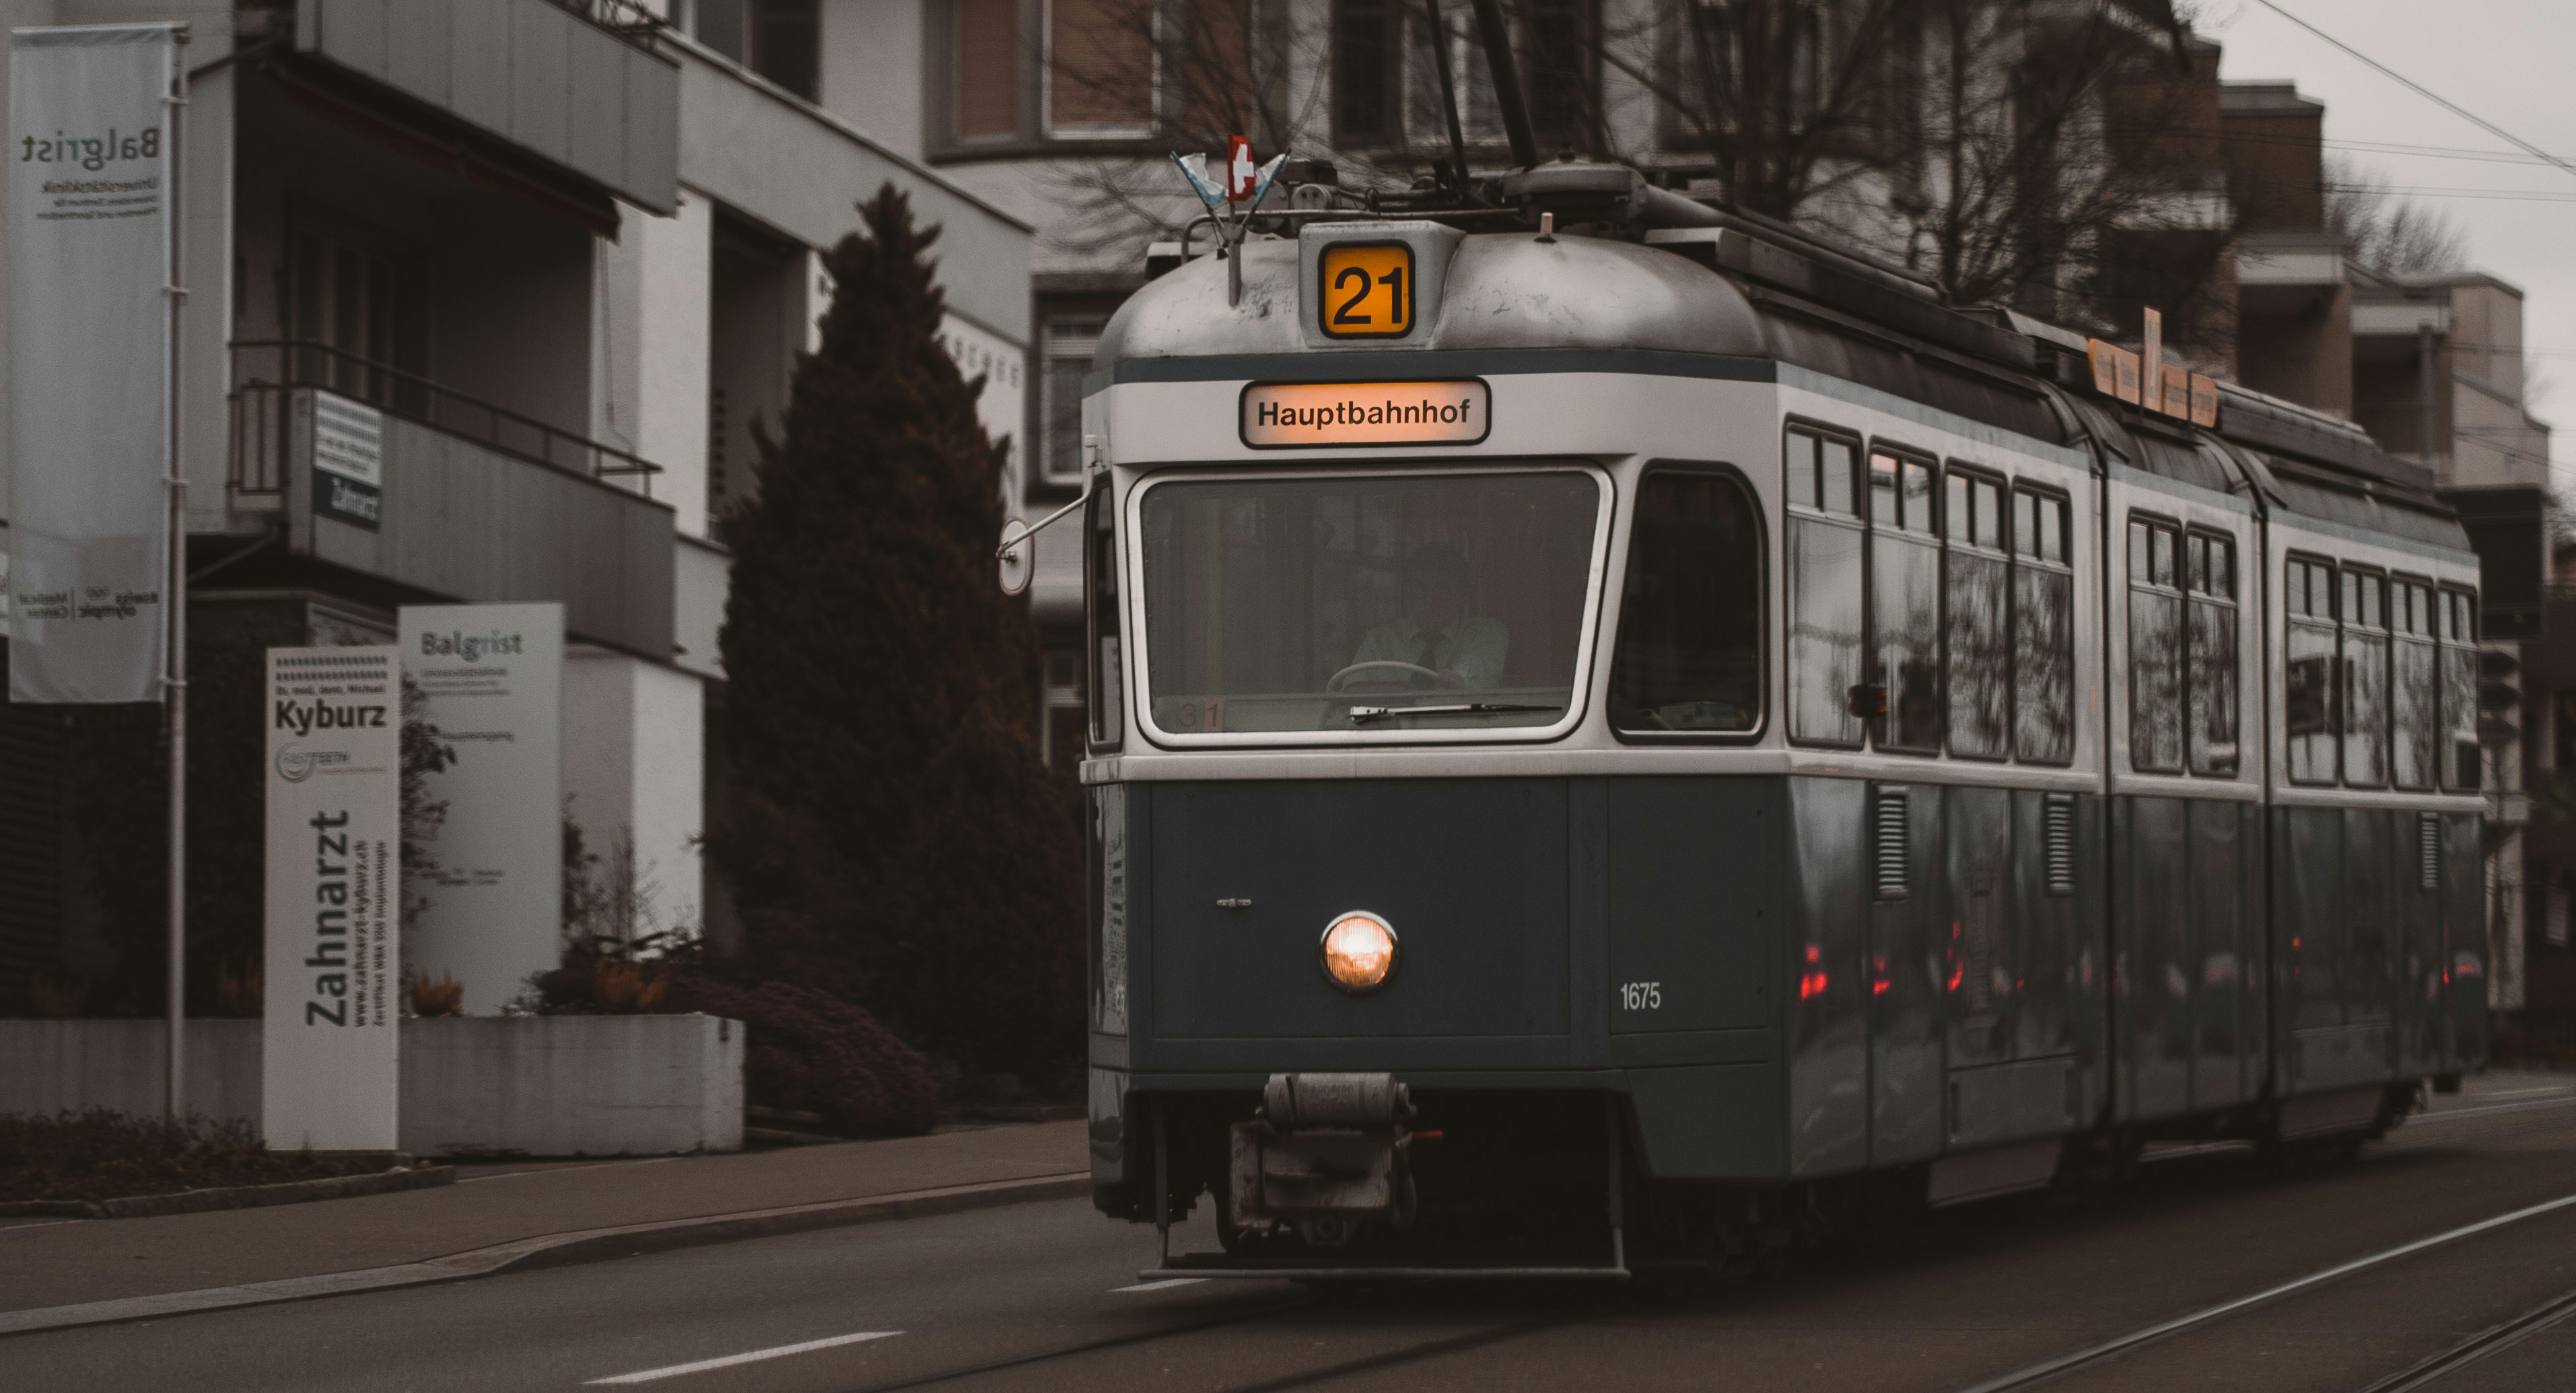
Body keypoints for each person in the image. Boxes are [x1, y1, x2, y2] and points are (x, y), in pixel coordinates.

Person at [1349, 543, 1509, 690]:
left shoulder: (1485, 633)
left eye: (1442, 588)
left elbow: (1479, 667)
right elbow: (1350, 697)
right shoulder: (1379, 643)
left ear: (1462, 595)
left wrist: (1457, 680)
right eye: (1420, 586)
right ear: (1407, 592)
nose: (1430, 597)